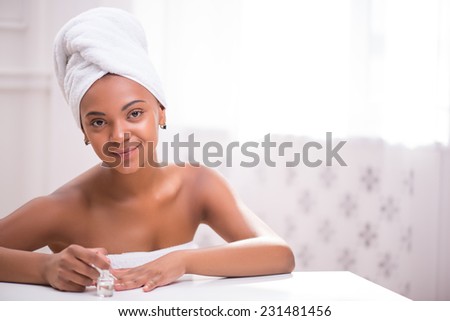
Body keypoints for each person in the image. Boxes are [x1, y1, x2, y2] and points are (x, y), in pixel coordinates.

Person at [0, 7, 294, 293]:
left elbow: (279, 254)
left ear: (161, 113)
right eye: (99, 121)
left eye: (134, 114)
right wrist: (45, 267)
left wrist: (182, 261)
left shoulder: (197, 184)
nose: (119, 135)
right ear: (85, 132)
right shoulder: (63, 208)